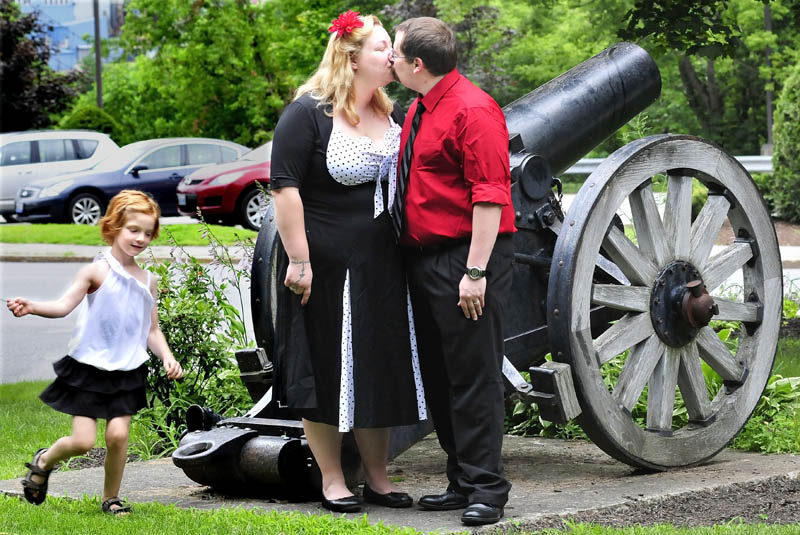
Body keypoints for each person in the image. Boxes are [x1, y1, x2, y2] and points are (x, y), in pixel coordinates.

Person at [269, 10, 427, 514]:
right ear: (352, 56)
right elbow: (284, 189)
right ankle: (333, 479)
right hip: (324, 265)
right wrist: (299, 260)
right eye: (383, 48)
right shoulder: (307, 113)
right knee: (325, 365)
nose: (392, 56)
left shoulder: (390, 112)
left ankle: (378, 478)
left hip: (383, 264)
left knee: (377, 365)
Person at [390, 17, 517, 526]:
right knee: (441, 378)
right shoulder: (422, 107)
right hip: (424, 259)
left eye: (395, 54)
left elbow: (490, 196)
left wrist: (475, 272)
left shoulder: (474, 110)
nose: (391, 61)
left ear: (416, 64)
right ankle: (462, 480)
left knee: (473, 377)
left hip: (466, 258)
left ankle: (488, 488)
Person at [6, 190, 183, 515]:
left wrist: (167, 356)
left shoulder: (148, 280)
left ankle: (111, 498)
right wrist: (32, 306)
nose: (141, 238)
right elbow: (62, 306)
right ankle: (44, 461)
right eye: (133, 230)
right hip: (88, 368)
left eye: (147, 233)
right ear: (114, 226)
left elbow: (151, 330)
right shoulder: (96, 272)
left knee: (118, 436)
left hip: (127, 370)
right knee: (84, 442)